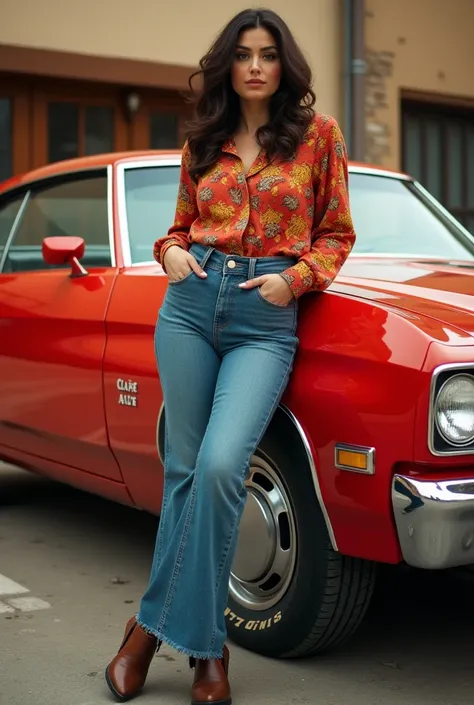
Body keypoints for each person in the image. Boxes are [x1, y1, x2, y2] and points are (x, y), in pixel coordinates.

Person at [105, 7, 356, 704]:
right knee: (184, 474)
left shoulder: (318, 138)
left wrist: (293, 280)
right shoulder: (203, 140)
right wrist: (173, 253)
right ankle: (207, 655)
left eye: (267, 54)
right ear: (227, 64)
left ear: (284, 65)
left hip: (262, 319)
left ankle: (146, 631)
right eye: (242, 54)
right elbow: (175, 228)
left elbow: (335, 234)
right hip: (188, 310)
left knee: (220, 467)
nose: (254, 65)